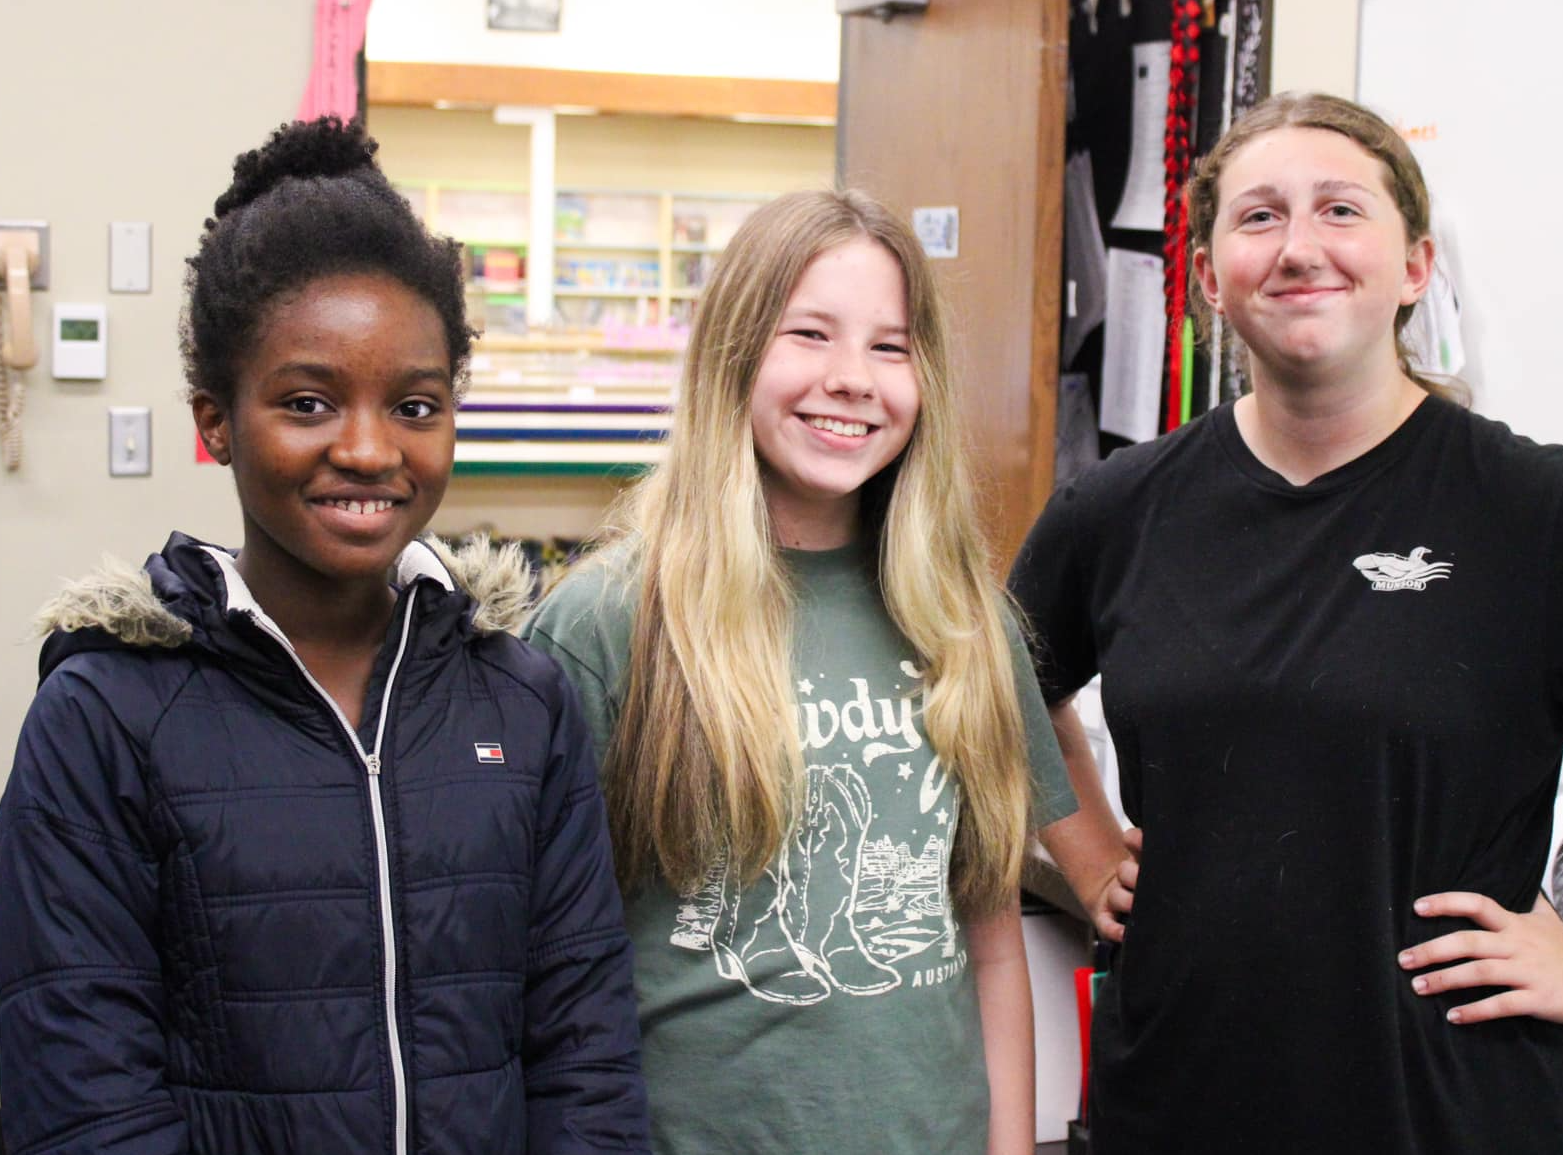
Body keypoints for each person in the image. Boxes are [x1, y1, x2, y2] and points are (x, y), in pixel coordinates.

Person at [0, 117, 649, 1155]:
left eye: (415, 405)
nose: (367, 448)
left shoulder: (522, 704)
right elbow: (80, 1093)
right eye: (307, 402)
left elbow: (586, 1061)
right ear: (215, 421)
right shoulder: (106, 718)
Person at [1008, 91, 1563, 1154]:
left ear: (1414, 267)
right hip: (1178, 1097)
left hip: (1450, 1107)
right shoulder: (1117, 509)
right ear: (1211, 278)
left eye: (1341, 211)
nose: (1300, 247)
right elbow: (994, 687)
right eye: (1259, 217)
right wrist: (1083, 857)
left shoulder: (1529, 510)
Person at [523, 189, 1122, 1155]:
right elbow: (540, 966)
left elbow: (989, 937)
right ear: (730, 354)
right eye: (809, 334)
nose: (852, 379)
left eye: (889, 347)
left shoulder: (964, 621)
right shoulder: (609, 621)